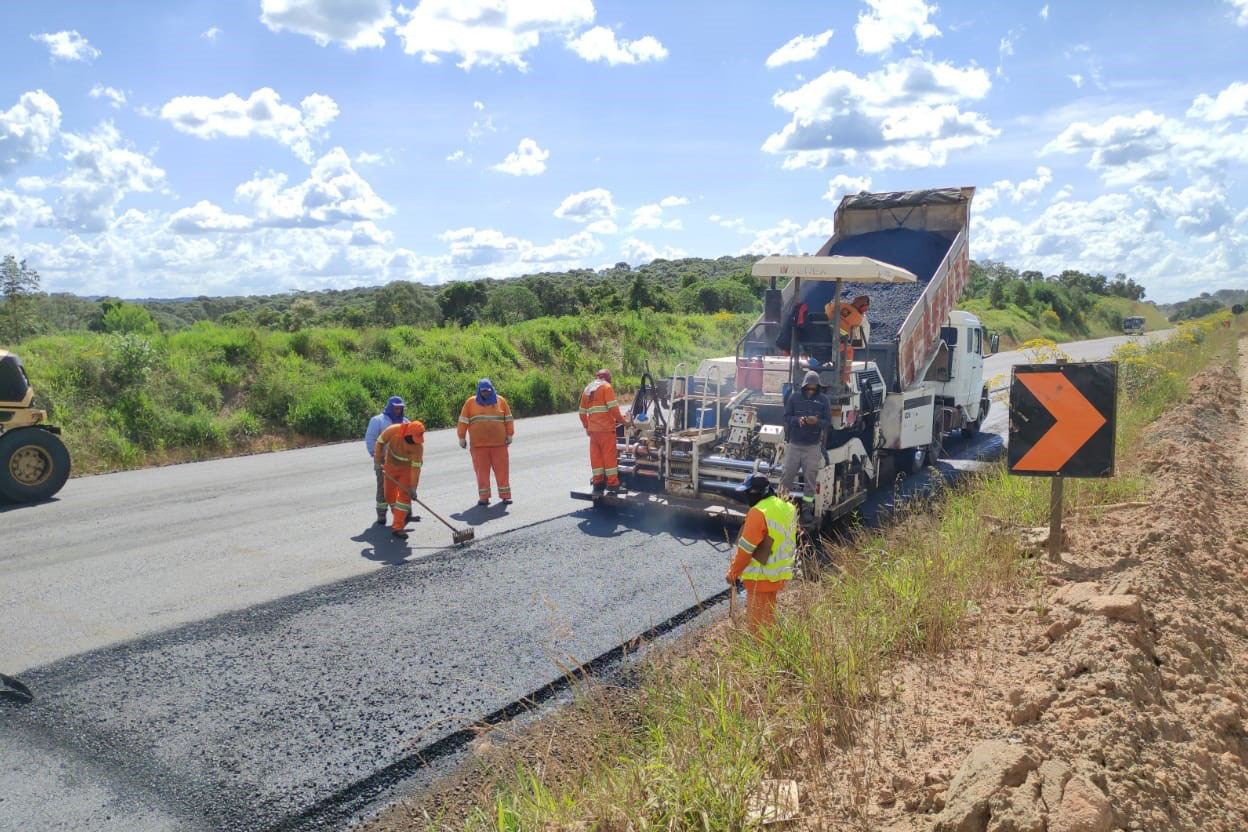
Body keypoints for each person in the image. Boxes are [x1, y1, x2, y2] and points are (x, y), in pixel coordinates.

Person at [725, 473, 797, 632]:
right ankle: (771, 652)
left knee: (758, 628)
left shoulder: (758, 512)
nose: (746, 497)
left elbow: (746, 549)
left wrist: (733, 572)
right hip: (779, 573)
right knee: (769, 621)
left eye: (748, 493)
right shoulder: (788, 507)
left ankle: (763, 654)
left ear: (759, 492)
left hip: (760, 576)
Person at [457, 378, 514, 506]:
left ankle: (505, 496)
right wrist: (461, 437)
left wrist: (510, 434)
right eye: (483, 391)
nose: (485, 393)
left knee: (502, 471)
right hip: (479, 446)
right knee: (481, 472)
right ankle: (484, 497)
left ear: (492, 389)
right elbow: (463, 421)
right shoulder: (470, 403)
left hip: (499, 445)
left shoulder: (501, 401)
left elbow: (508, 419)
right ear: (479, 391)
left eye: (488, 391)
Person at [780, 370, 831, 507]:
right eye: (809, 387)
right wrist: (798, 420)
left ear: (818, 387)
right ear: (804, 386)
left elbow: (827, 422)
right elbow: (786, 416)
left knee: (810, 479)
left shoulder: (823, 400)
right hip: (794, 444)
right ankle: (782, 504)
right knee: (787, 476)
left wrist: (817, 422)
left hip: (812, 446)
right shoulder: (794, 398)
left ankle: (807, 508)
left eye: (814, 388)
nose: (811, 390)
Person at [579, 369, 629, 495]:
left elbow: (582, 412)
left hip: (593, 432)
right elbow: (613, 409)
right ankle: (612, 484)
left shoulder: (587, 389)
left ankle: (598, 484)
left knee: (596, 459)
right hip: (606, 431)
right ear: (608, 378)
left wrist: (587, 427)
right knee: (609, 457)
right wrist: (624, 422)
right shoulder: (607, 388)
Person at [374, 419, 424, 540]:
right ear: (408, 433)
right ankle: (401, 515)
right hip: (390, 467)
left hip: (406, 471)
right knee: (388, 495)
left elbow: (415, 469)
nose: (415, 442)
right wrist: (377, 460)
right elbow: (379, 442)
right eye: (413, 439)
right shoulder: (393, 430)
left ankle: (398, 527)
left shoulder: (418, 448)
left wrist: (413, 488)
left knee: (404, 497)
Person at [364, 396, 408, 525]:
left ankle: (401, 514)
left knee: (402, 489)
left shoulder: (405, 422)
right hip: (382, 460)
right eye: (395, 407)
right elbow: (370, 438)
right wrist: (376, 456)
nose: (398, 410)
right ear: (390, 407)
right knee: (383, 487)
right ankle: (382, 514)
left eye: (400, 408)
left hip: (400, 461)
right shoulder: (378, 420)